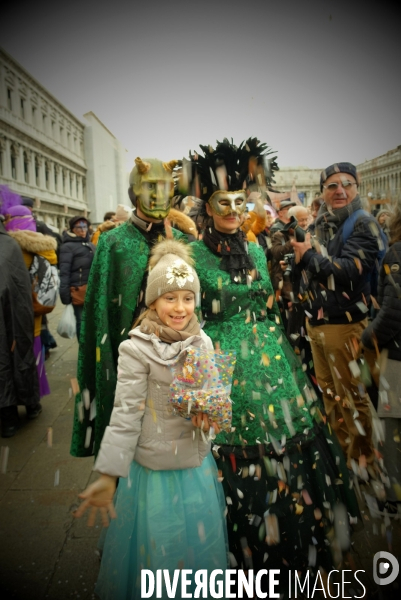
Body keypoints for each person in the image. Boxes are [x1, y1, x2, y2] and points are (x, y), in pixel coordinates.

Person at [187, 140, 359, 591]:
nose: (231, 208)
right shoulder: (191, 254)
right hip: (223, 365)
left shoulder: (256, 246)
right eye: (222, 201)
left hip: (274, 361)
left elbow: (269, 302)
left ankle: (294, 538)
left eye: (238, 201)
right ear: (207, 204)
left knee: (294, 440)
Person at [74, 239, 228, 599]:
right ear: (152, 300)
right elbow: (125, 414)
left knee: (196, 545)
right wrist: (109, 473)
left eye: (187, 298)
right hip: (153, 470)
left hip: (193, 465)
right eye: (170, 298)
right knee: (159, 543)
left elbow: (215, 395)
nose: (180, 308)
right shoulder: (135, 347)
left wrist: (211, 413)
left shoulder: (202, 341)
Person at [70, 157, 186, 459]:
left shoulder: (183, 240)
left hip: (175, 352)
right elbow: (101, 315)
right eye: (151, 186)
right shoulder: (113, 242)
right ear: (135, 190)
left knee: (172, 434)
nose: (159, 195)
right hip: (128, 354)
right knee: (129, 427)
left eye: (165, 187)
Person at [291, 162, 384, 469]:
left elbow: (347, 273)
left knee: (353, 399)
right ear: (324, 192)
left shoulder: (363, 223)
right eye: (332, 186)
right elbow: (309, 274)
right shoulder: (321, 222)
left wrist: (309, 256)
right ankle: (344, 457)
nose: (340, 190)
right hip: (317, 323)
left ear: (356, 188)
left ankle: (362, 460)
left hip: (344, 327)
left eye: (346, 184)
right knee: (331, 397)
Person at [2, 192, 58, 415]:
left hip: (9, 319)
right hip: (34, 318)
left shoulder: (7, 250)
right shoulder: (43, 251)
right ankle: (33, 404)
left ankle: (10, 407)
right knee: (34, 362)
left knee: (9, 363)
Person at [361, 201, 401, 505]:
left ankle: (391, 497)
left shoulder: (397, 254)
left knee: (391, 429)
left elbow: (391, 314)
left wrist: (367, 336)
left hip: (398, 357)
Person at [0, 197, 41, 438]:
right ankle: (22, 409)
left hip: (13, 316)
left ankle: (10, 417)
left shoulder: (10, 245)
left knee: (11, 361)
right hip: (15, 316)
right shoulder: (10, 245)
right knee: (16, 359)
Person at [59, 216, 96, 342]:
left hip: (92, 290)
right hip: (78, 291)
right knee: (81, 322)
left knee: (91, 322)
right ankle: (84, 352)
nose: (82, 230)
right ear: (73, 229)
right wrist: (65, 296)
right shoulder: (67, 247)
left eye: (85, 227)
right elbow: (64, 273)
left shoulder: (90, 244)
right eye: (79, 227)